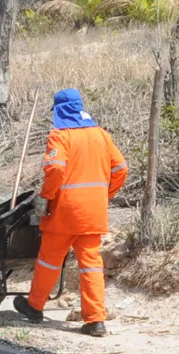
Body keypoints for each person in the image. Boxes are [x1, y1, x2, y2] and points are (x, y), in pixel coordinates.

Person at [13, 88, 127, 335]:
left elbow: (55, 169)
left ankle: (34, 307)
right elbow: (121, 168)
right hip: (93, 213)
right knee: (91, 265)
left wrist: (45, 196)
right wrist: (104, 195)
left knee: (49, 260)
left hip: (65, 212)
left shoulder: (60, 136)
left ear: (59, 111)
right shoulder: (101, 135)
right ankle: (95, 320)